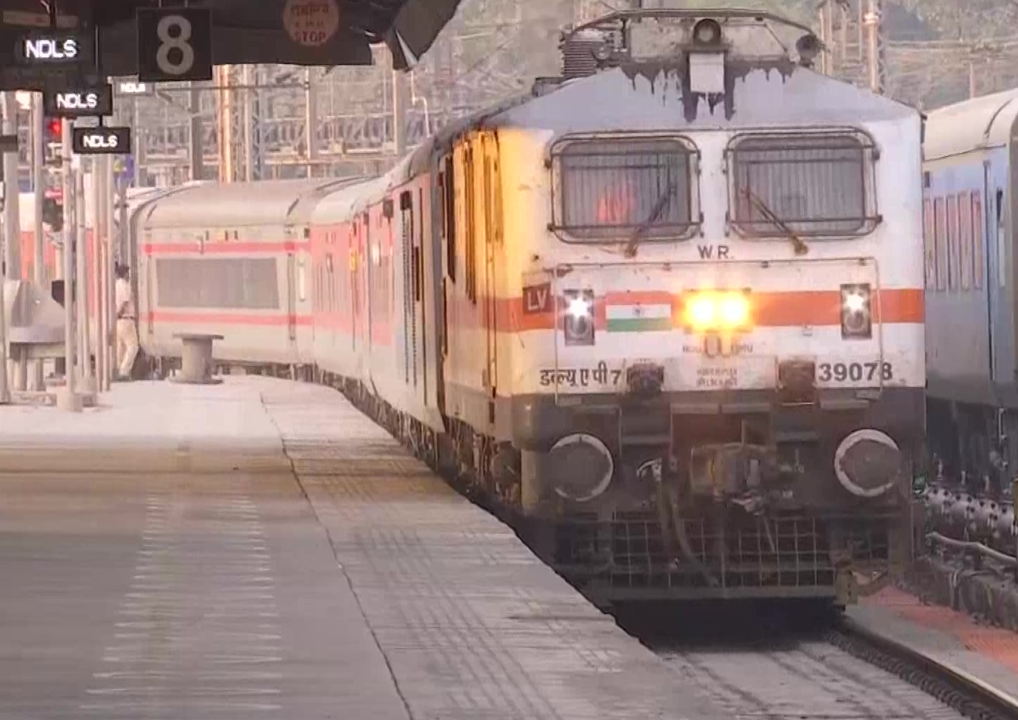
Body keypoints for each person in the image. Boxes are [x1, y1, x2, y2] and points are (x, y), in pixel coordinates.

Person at [115, 263, 139, 381]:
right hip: (126, 318)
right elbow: (125, 301)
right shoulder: (124, 285)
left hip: (119, 321)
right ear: (124, 274)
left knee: (121, 347)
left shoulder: (115, 285)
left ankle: (119, 369)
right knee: (133, 346)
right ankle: (124, 371)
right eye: (127, 273)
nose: (128, 275)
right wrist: (119, 312)